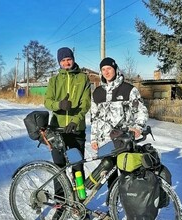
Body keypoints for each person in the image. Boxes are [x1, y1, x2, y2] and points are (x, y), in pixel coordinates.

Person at [44, 47, 91, 219]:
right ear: (59, 62)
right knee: (59, 169)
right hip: (57, 130)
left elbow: (86, 103)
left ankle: (81, 204)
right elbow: (47, 101)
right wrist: (59, 105)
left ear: (73, 59)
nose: (66, 62)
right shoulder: (54, 80)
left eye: (68, 59)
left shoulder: (83, 78)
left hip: (76, 129)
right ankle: (61, 205)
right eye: (62, 60)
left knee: (77, 168)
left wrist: (75, 121)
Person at [91, 57, 149, 188]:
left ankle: (127, 204)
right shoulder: (97, 93)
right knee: (110, 176)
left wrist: (138, 127)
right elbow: (94, 117)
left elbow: (141, 111)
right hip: (105, 142)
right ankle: (113, 205)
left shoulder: (128, 89)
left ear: (115, 69)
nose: (106, 72)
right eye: (103, 69)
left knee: (126, 174)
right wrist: (94, 139)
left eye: (109, 68)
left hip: (124, 140)